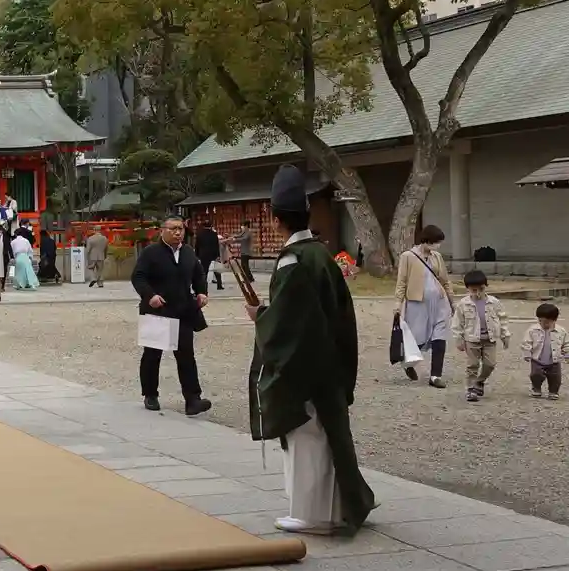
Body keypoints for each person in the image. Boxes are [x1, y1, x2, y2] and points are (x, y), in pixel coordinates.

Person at [246, 165, 375, 535]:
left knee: (307, 438)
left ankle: (313, 514)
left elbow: (289, 323)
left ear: (275, 220)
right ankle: (341, 506)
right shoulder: (320, 253)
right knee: (329, 436)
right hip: (329, 360)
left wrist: (261, 316)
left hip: (306, 367)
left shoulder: (293, 260)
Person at [131, 215, 212, 415]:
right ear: (162, 231)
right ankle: (150, 394)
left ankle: (192, 399)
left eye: (180, 229)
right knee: (152, 355)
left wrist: (202, 292)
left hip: (183, 310)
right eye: (173, 229)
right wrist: (150, 295)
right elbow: (138, 277)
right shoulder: (151, 252)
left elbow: (198, 275)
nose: (177, 233)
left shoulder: (188, 252)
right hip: (158, 310)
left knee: (186, 356)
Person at [395, 224, 454, 388]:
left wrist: (452, 301)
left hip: (439, 301)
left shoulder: (437, 257)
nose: (438, 246)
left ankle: (435, 376)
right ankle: (407, 362)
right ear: (427, 240)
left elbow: (445, 280)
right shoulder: (408, 256)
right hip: (417, 303)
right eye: (436, 242)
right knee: (417, 338)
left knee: (439, 336)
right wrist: (398, 303)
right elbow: (402, 282)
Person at [452, 269, 509, 403]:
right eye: (474, 290)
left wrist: (505, 335)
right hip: (471, 339)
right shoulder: (463, 304)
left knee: (490, 364)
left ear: (486, 286)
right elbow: (457, 323)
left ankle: (480, 381)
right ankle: (471, 389)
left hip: (490, 339)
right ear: (467, 289)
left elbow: (503, 319)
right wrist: (459, 339)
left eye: (481, 289)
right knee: (472, 365)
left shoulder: (494, 302)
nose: (477, 292)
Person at [523, 303, 567, 399]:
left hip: (554, 361)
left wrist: (567, 354)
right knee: (535, 375)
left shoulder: (561, 331)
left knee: (555, 378)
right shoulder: (532, 330)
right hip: (537, 359)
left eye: (547, 322)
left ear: (554, 320)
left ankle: (553, 391)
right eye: (540, 321)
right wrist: (527, 353)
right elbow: (527, 342)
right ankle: (536, 388)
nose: (543, 324)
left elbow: (566, 344)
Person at [193, 220, 224, 292]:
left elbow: (197, 245)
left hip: (203, 255)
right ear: (211, 226)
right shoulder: (214, 234)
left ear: (203, 226)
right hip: (213, 254)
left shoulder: (199, 234)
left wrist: (196, 255)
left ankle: (204, 287)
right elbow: (216, 245)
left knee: (204, 271)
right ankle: (219, 285)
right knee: (216, 269)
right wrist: (218, 255)